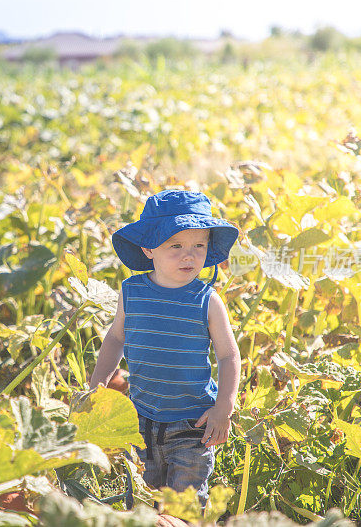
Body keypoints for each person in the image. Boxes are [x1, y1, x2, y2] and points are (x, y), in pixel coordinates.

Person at [89, 189, 241, 503]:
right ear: (148, 248)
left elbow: (228, 355)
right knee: (142, 499)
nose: (189, 255)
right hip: (141, 415)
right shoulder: (131, 291)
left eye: (199, 245)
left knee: (183, 504)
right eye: (176, 245)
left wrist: (224, 406)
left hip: (192, 422)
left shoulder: (207, 300)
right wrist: (99, 380)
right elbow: (117, 337)